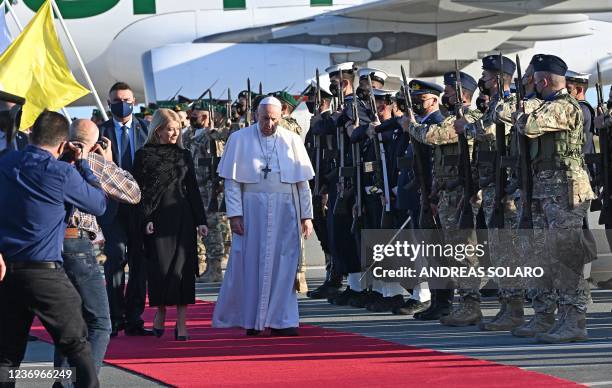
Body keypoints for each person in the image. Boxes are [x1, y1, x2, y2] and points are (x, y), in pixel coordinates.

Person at [0, 110, 106, 388]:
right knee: (78, 345)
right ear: (62, 145)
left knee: (7, 357)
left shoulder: (5, 163)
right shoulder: (60, 172)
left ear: (32, 133)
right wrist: (81, 165)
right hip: (44, 273)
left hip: (7, 272)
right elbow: (98, 204)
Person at [212, 97, 314, 337]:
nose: (269, 124)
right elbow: (232, 182)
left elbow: (303, 184)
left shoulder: (292, 140)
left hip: (286, 209)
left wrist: (306, 216)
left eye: (274, 119)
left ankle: (283, 320)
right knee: (250, 263)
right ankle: (251, 320)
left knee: (285, 263)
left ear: (281, 117)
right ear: (256, 116)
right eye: (265, 118)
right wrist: (235, 214)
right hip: (252, 210)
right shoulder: (239, 139)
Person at [514, 54, 595, 344]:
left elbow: (528, 125)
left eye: (534, 82)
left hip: (566, 189)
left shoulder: (565, 106)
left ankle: (573, 320)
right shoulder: (546, 104)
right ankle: (546, 315)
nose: (531, 87)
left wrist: (524, 104)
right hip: (544, 186)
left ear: (544, 81)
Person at [53, 119, 141, 384]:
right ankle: (83, 381)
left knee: (68, 322)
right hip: (78, 244)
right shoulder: (94, 161)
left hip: (51, 245)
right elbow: (133, 193)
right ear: (94, 143)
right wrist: (109, 162)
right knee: (100, 322)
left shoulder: (52, 157)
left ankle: (62, 380)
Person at [132, 109, 208, 341]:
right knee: (161, 269)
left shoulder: (183, 154)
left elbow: (192, 189)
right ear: (157, 130)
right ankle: (161, 312)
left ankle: (182, 323)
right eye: (169, 129)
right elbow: (139, 192)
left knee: (183, 270)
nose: (174, 133)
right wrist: (146, 220)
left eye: (177, 129)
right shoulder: (143, 155)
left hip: (182, 217)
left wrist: (201, 221)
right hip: (157, 220)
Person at [98, 82, 152, 337]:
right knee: (116, 259)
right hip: (113, 209)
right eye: (118, 100)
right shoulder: (101, 133)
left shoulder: (146, 130)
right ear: (109, 104)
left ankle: (134, 318)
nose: (123, 104)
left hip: (141, 208)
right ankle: (115, 317)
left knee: (140, 263)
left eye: (128, 99)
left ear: (134, 102)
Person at [183, 102, 228, 282]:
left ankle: (215, 267)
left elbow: (218, 163)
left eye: (196, 115)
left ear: (205, 116)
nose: (192, 119)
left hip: (209, 189)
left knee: (211, 226)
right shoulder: (189, 136)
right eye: (191, 115)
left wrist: (218, 186)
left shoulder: (213, 137)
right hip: (193, 188)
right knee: (200, 227)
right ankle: (204, 264)